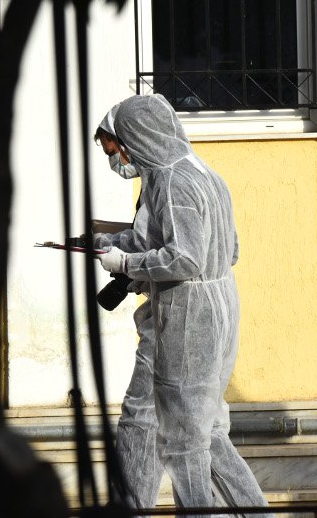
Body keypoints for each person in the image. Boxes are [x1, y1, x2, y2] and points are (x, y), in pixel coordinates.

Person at [94, 94, 271, 515]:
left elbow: (185, 256)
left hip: (188, 319)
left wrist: (128, 263)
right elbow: (228, 250)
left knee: (182, 443)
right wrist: (117, 248)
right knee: (207, 434)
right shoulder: (203, 173)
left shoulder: (173, 181)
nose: (117, 162)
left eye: (114, 150)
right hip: (219, 309)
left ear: (135, 137)